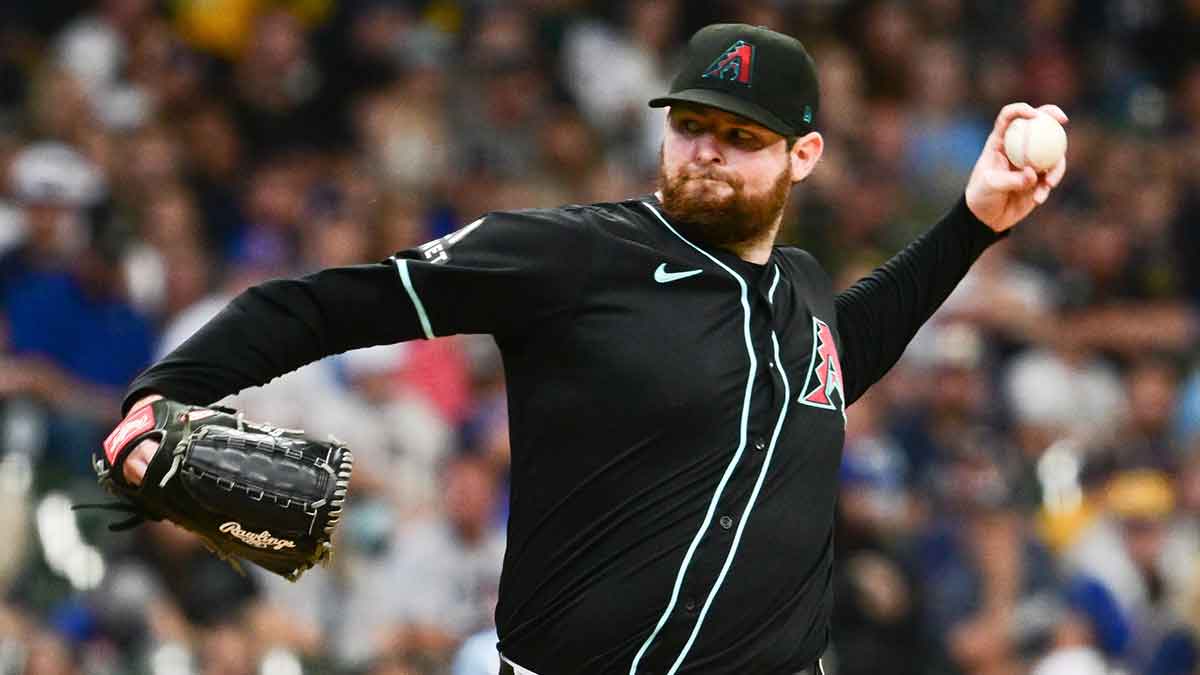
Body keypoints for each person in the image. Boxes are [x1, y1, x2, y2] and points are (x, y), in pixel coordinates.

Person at [110, 23, 1066, 675]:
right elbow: (334, 303)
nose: (706, 151)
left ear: (801, 157)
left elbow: (847, 347)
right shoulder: (575, 254)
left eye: (741, 136)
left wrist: (975, 221)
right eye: (691, 125)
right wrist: (168, 388)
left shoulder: (802, 294)